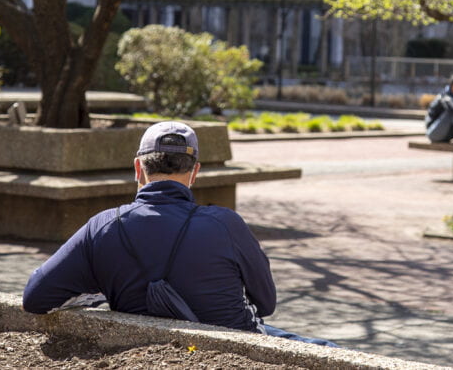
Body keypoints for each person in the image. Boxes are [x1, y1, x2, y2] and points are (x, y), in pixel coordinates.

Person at [22, 120, 334, 346]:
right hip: (239, 348)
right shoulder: (226, 224)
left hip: (141, 351)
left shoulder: (102, 227)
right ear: (195, 172)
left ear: (137, 168)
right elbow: (265, 305)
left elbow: (35, 297)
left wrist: (103, 289)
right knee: (334, 352)